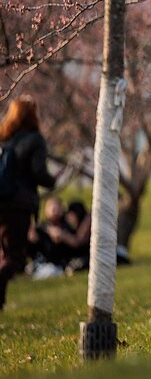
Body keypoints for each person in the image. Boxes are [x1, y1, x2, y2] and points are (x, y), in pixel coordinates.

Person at [0, 97, 58, 310]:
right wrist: (52, 181)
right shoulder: (35, 140)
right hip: (18, 205)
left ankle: (1, 302)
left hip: (2, 202)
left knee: (5, 254)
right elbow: (38, 172)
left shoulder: (4, 138)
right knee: (15, 258)